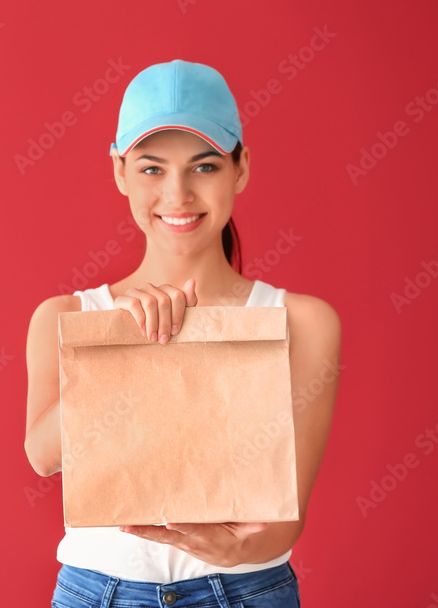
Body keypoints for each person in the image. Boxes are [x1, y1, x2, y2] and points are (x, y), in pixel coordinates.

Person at [23, 60, 340, 608]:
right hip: (99, 592)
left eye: (204, 167)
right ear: (119, 172)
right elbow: (43, 456)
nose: (178, 193)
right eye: (151, 168)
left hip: (245, 590)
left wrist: (235, 549)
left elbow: (286, 521)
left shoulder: (303, 322)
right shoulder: (68, 315)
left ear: (240, 168)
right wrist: (124, 346)